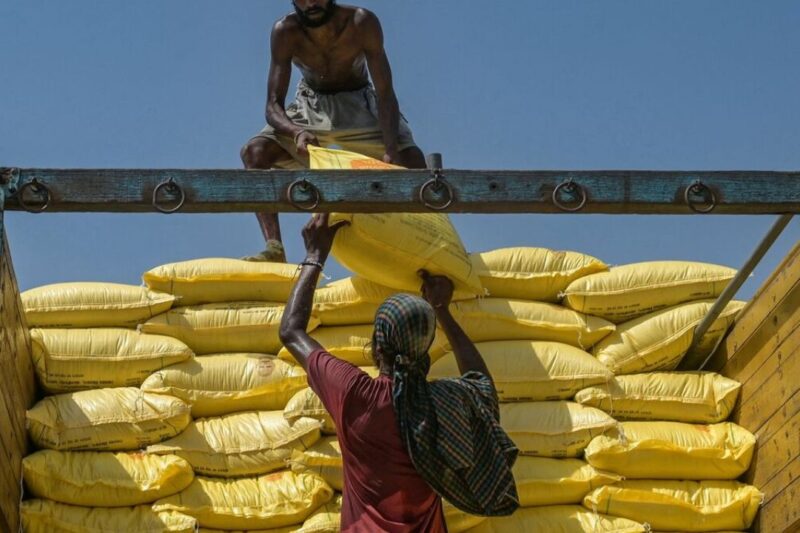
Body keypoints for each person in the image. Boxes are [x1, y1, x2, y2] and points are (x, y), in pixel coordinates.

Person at [279, 214, 519, 532]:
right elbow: (481, 383)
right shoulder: (443, 404)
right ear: (427, 346)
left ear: (378, 345)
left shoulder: (357, 395)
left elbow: (291, 331)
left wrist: (314, 256)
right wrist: (441, 309)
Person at [241, 1, 426, 262]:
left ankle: (425, 251)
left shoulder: (362, 22)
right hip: (311, 105)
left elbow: (385, 94)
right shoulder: (286, 31)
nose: (311, 3)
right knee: (254, 152)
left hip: (359, 104)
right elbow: (272, 106)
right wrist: (296, 132)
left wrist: (390, 149)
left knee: (415, 164)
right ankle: (275, 248)